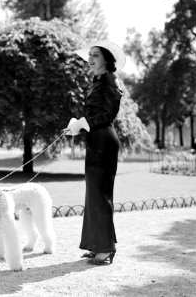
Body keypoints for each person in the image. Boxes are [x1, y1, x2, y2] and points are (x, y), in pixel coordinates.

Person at [66, 40, 126, 265]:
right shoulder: (97, 81)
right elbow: (94, 116)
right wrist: (77, 126)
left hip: (105, 142)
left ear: (107, 60)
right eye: (89, 55)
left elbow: (107, 115)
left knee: (100, 195)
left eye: (96, 55)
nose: (90, 59)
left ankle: (105, 249)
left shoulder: (110, 80)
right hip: (96, 141)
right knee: (92, 195)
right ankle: (95, 245)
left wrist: (82, 123)